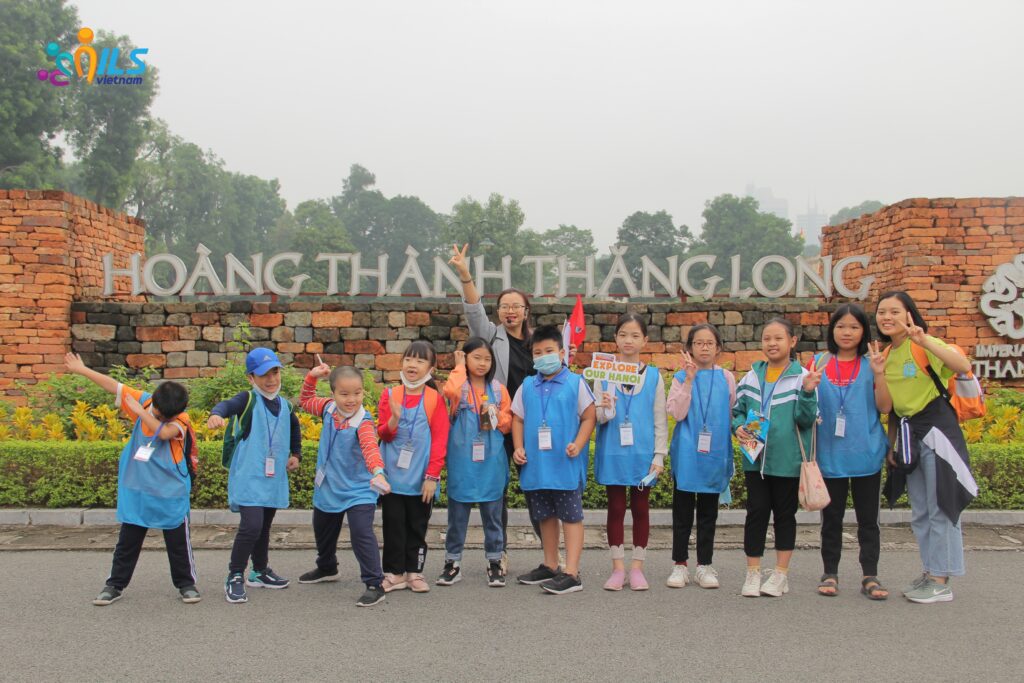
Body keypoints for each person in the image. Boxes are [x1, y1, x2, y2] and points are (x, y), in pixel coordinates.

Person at [64, 352, 200, 606]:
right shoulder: (145, 401)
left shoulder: (181, 420)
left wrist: (141, 412)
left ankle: (186, 584)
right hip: (138, 489)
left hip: (170, 492)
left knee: (178, 543)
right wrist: (82, 369)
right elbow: (112, 385)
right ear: (155, 401)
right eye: (159, 413)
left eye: (166, 417)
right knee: (127, 542)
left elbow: (164, 434)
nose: (161, 418)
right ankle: (114, 585)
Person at [876, 291, 976, 604]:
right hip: (909, 436)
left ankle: (941, 579)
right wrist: (892, 445)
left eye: (894, 311)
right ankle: (931, 570)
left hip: (937, 433)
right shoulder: (887, 355)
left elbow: (962, 365)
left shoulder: (922, 345)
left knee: (941, 506)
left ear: (909, 314)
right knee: (920, 510)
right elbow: (893, 409)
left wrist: (925, 341)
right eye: (882, 312)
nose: (887, 317)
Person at [449, 243, 536, 573]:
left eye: (516, 306)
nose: (510, 311)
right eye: (504, 306)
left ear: (526, 311)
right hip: (498, 423)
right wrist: (465, 275)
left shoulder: (539, 344)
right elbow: (474, 310)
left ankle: (550, 555)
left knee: (536, 489)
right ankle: (499, 553)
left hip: (530, 425)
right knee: (496, 491)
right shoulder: (490, 335)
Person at [732, 318, 819, 598]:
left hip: (787, 460)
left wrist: (807, 393)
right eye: (767, 338)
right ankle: (753, 573)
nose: (772, 343)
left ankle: (780, 574)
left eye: (778, 338)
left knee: (784, 516)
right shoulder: (751, 376)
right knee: (756, 514)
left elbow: (806, 420)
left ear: (792, 341)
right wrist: (739, 426)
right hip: (755, 458)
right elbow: (737, 411)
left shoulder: (802, 377)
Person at [208, 348, 302, 604]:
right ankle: (235, 575)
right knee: (251, 527)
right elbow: (227, 405)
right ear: (251, 378)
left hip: (272, 478)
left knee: (264, 527)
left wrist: (296, 453)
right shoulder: (247, 399)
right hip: (249, 477)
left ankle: (259, 571)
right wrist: (216, 414)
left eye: (275, 372)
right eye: (263, 375)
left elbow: (294, 426)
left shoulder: (285, 405)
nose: (271, 379)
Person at [811, 304, 891, 600]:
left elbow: (885, 407)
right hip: (829, 455)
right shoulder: (819, 362)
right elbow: (807, 406)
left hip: (866, 453)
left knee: (868, 520)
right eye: (841, 326)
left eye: (854, 327)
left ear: (864, 331)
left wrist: (879, 374)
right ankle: (829, 572)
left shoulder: (873, 362)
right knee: (831, 519)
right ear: (832, 330)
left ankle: (870, 575)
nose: (847, 332)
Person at [512, 324, 596, 595]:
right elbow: (517, 418)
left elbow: (589, 416)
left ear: (562, 353)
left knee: (571, 517)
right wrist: (518, 447)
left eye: (549, 351)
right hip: (537, 466)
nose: (543, 356)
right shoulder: (527, 385)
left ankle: (572, 572)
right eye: (537, 352)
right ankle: (550, 564)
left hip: (565, 465)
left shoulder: (575, 383)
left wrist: (578, 444)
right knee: (545, 516)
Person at [298, 361, 391, 607]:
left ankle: (375, 584)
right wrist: (312, 376)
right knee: (322, 530)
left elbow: (371, 448)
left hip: (359, 490)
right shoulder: (327, 408)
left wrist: (378, 472)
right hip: (329, 486)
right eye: (345, 394)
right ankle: (327, 567)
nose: (352, 400)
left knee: (361, 533)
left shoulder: (363, 422)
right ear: (333, 393)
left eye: (357, 393)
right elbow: (305, 401)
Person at [593, 313, 667, 591]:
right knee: (615, 508)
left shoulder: (654, 377)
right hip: (613, 451)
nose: (628, 340)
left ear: (645, 340)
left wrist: (659, 456)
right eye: (623, 334)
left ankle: (637, 567)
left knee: (640, 508)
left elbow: (660, 418)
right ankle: (617, 568)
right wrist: (606, 407)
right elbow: (598, 417)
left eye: (635, 335)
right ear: (615, 338)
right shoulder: (603, 374)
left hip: (642, 454)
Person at [437, 338, 513, 588]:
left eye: (487, 359)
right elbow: (449, 392)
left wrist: (494, 413)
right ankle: (452, 563)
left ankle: (494, 562)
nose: (482, 363)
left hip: (491, 461)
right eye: (476, 357)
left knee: (493, 516)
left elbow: (508, 424)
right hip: (462, 462)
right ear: (466, 358)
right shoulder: (459, 386)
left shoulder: (499, 389)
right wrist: (458, 367)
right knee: (457, 517)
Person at [665, 323, 736, 590]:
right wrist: (689, 379)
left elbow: (731, 413)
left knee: (708, 513)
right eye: (698, 343)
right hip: (687, 453)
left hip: (714, 453)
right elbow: (677, 413)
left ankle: (704, 565)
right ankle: (680, 565)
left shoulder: (727, 378)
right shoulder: (680, 378)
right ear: (690, 348)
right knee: (682, 513)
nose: (704, 348)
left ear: (718, 348)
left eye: (709, 343)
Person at [376, 341, 450, 594]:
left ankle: (414, 572)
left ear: (431, 368)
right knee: (393, 526)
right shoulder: (390, 395)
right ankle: (394, 573)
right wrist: (394, 419)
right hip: (392, 479)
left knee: (417, 527)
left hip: (421, 480)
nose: (412, 365)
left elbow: (440, 441)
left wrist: (432, 477)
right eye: (408, 359)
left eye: (420, 360)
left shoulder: (434, 399)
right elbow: (384, 435)